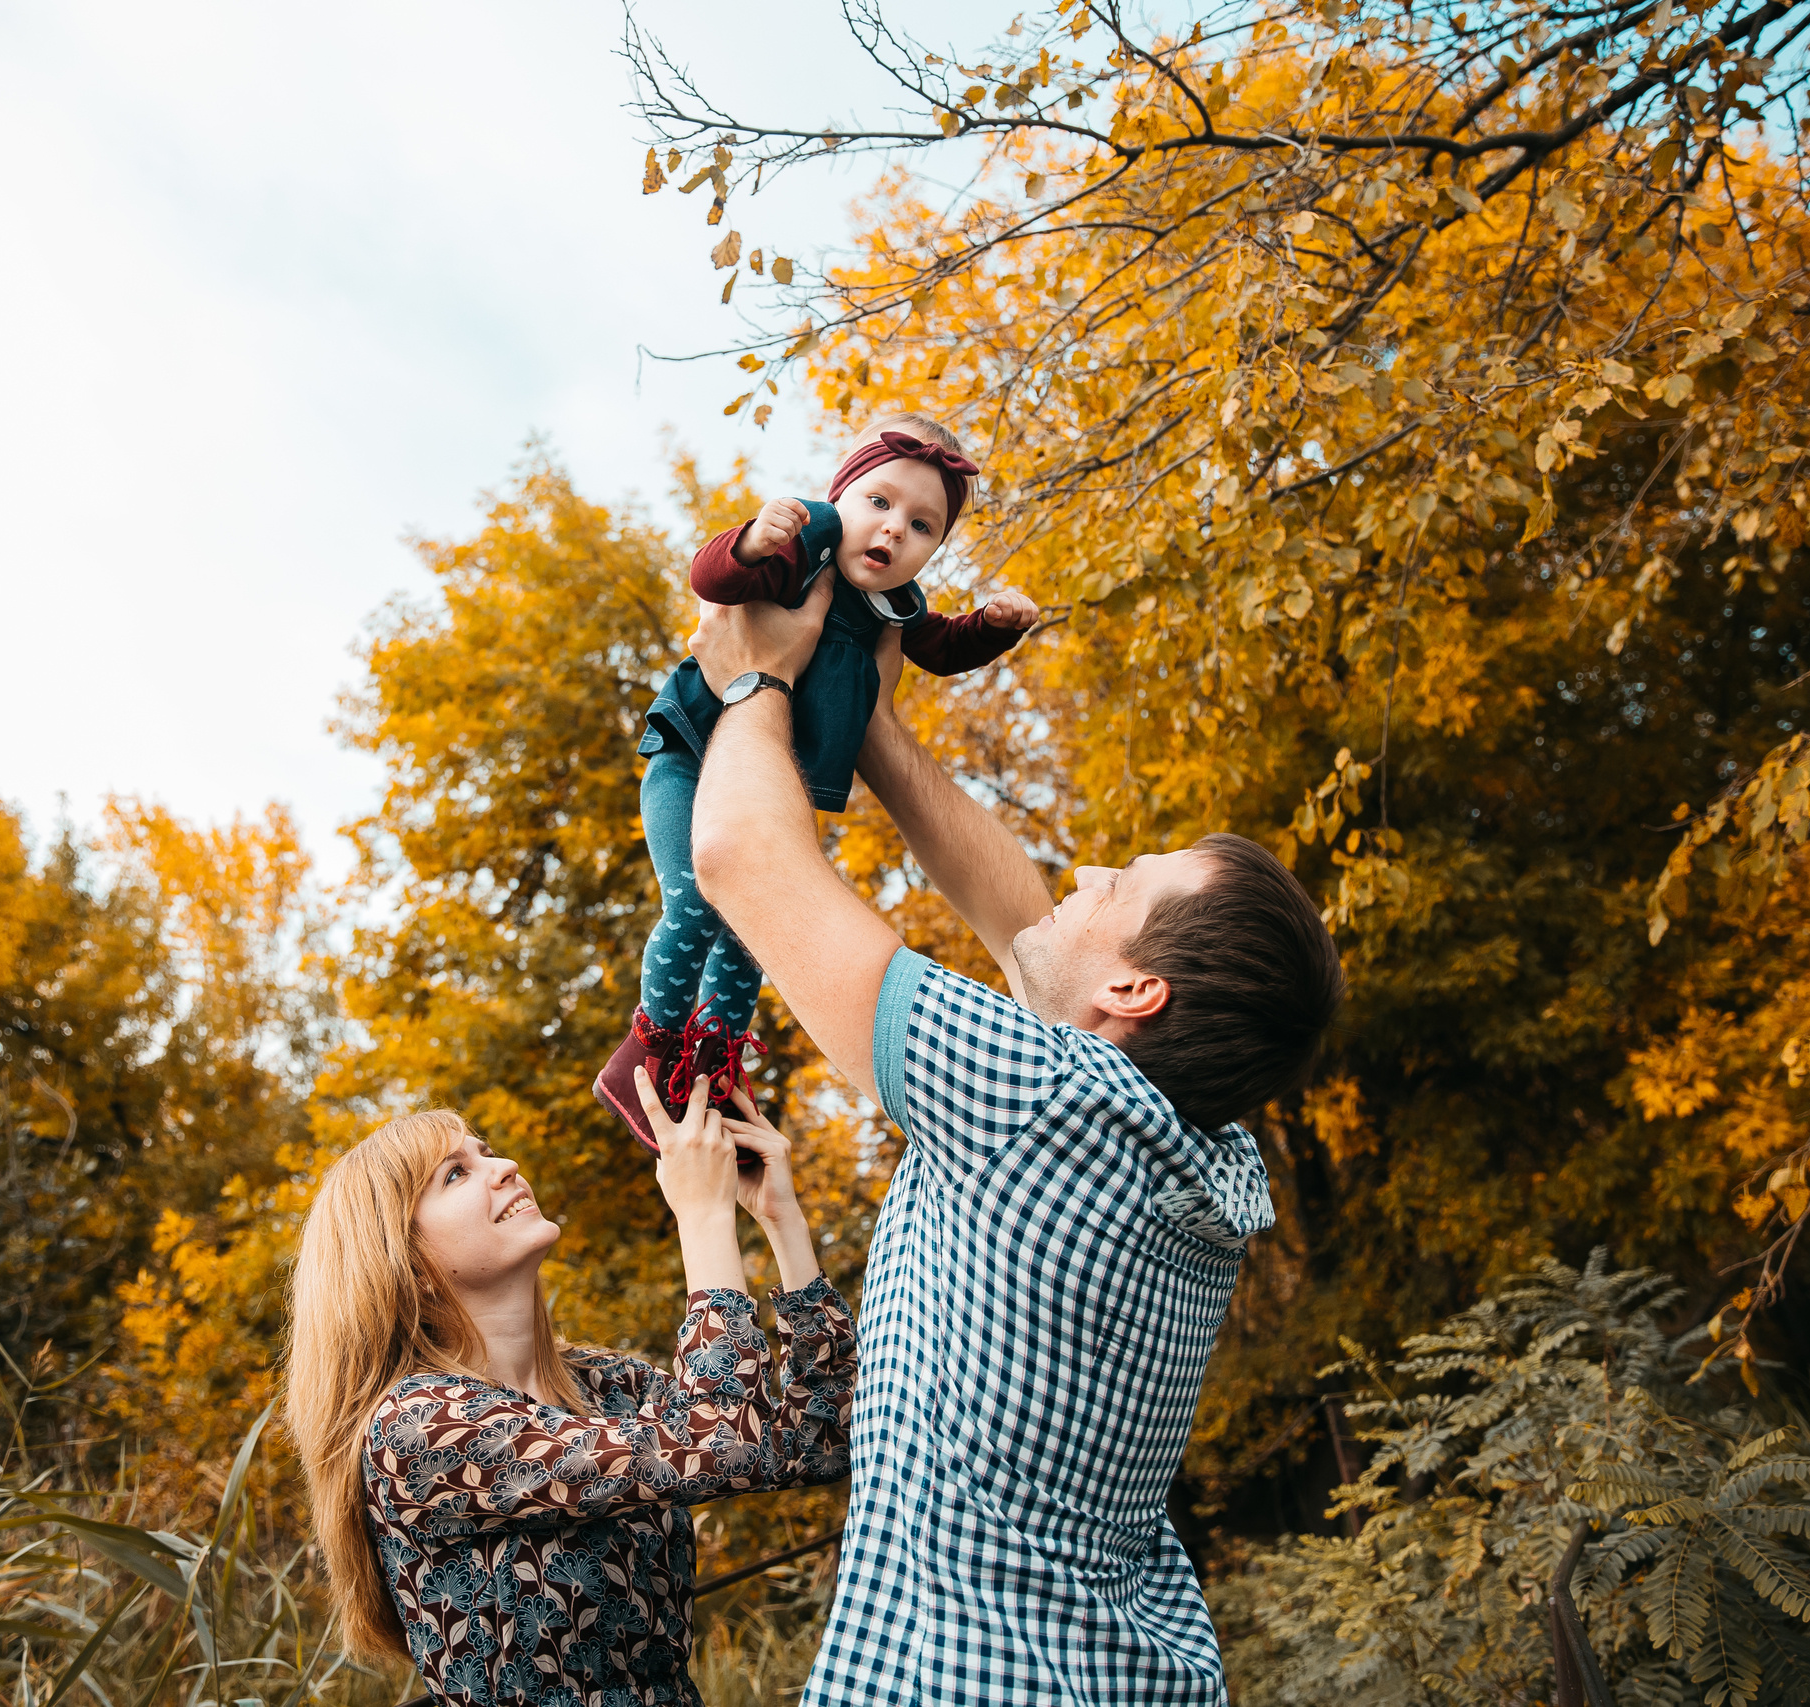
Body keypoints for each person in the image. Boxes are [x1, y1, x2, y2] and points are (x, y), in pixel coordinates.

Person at [680, 575, 1346, 1704]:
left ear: (1136, 988)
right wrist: (874, 710)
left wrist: (753, 675)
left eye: (1122, 883)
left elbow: (743, 854)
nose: (1084, 876)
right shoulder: (1199, 1155)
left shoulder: (1040, 1099)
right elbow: (1033, 930)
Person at [286, 1071, 855, 1707]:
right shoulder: (419, 1428)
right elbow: (724, 1438)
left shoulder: (599, 1381)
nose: (504, 1166)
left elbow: (816, 1441)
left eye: (486, 1151)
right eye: (455, 1173)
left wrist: (783, 1224)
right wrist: (702, 1216)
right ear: (407, 1265)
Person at [593, 413, 1040, 1152]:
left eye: (923, 525)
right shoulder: (805, 548)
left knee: (750, 931)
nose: (894, 530)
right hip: (692, 757)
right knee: (700, 898)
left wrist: (992, 624)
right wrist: (750, 542)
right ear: (844, 492)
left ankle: (712, 1071)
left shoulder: (899, 606)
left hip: (765, 790)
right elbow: (710, 577)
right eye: (880, 502)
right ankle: (648, 1051)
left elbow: (943, 648)